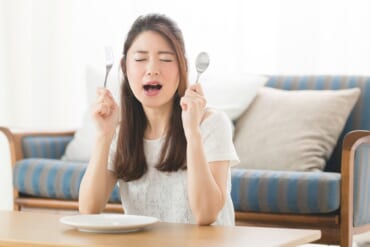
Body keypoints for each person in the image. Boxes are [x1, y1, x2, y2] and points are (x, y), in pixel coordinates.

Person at [78, 13, 239, 226]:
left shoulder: (211, 123)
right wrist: (104, 134)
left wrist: (192, 133)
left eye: (165, 59)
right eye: (140, 59)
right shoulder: (120, 132)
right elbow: (89, 209)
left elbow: (206, 214)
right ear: (125, 67)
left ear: (183, 67)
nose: (152, 69)